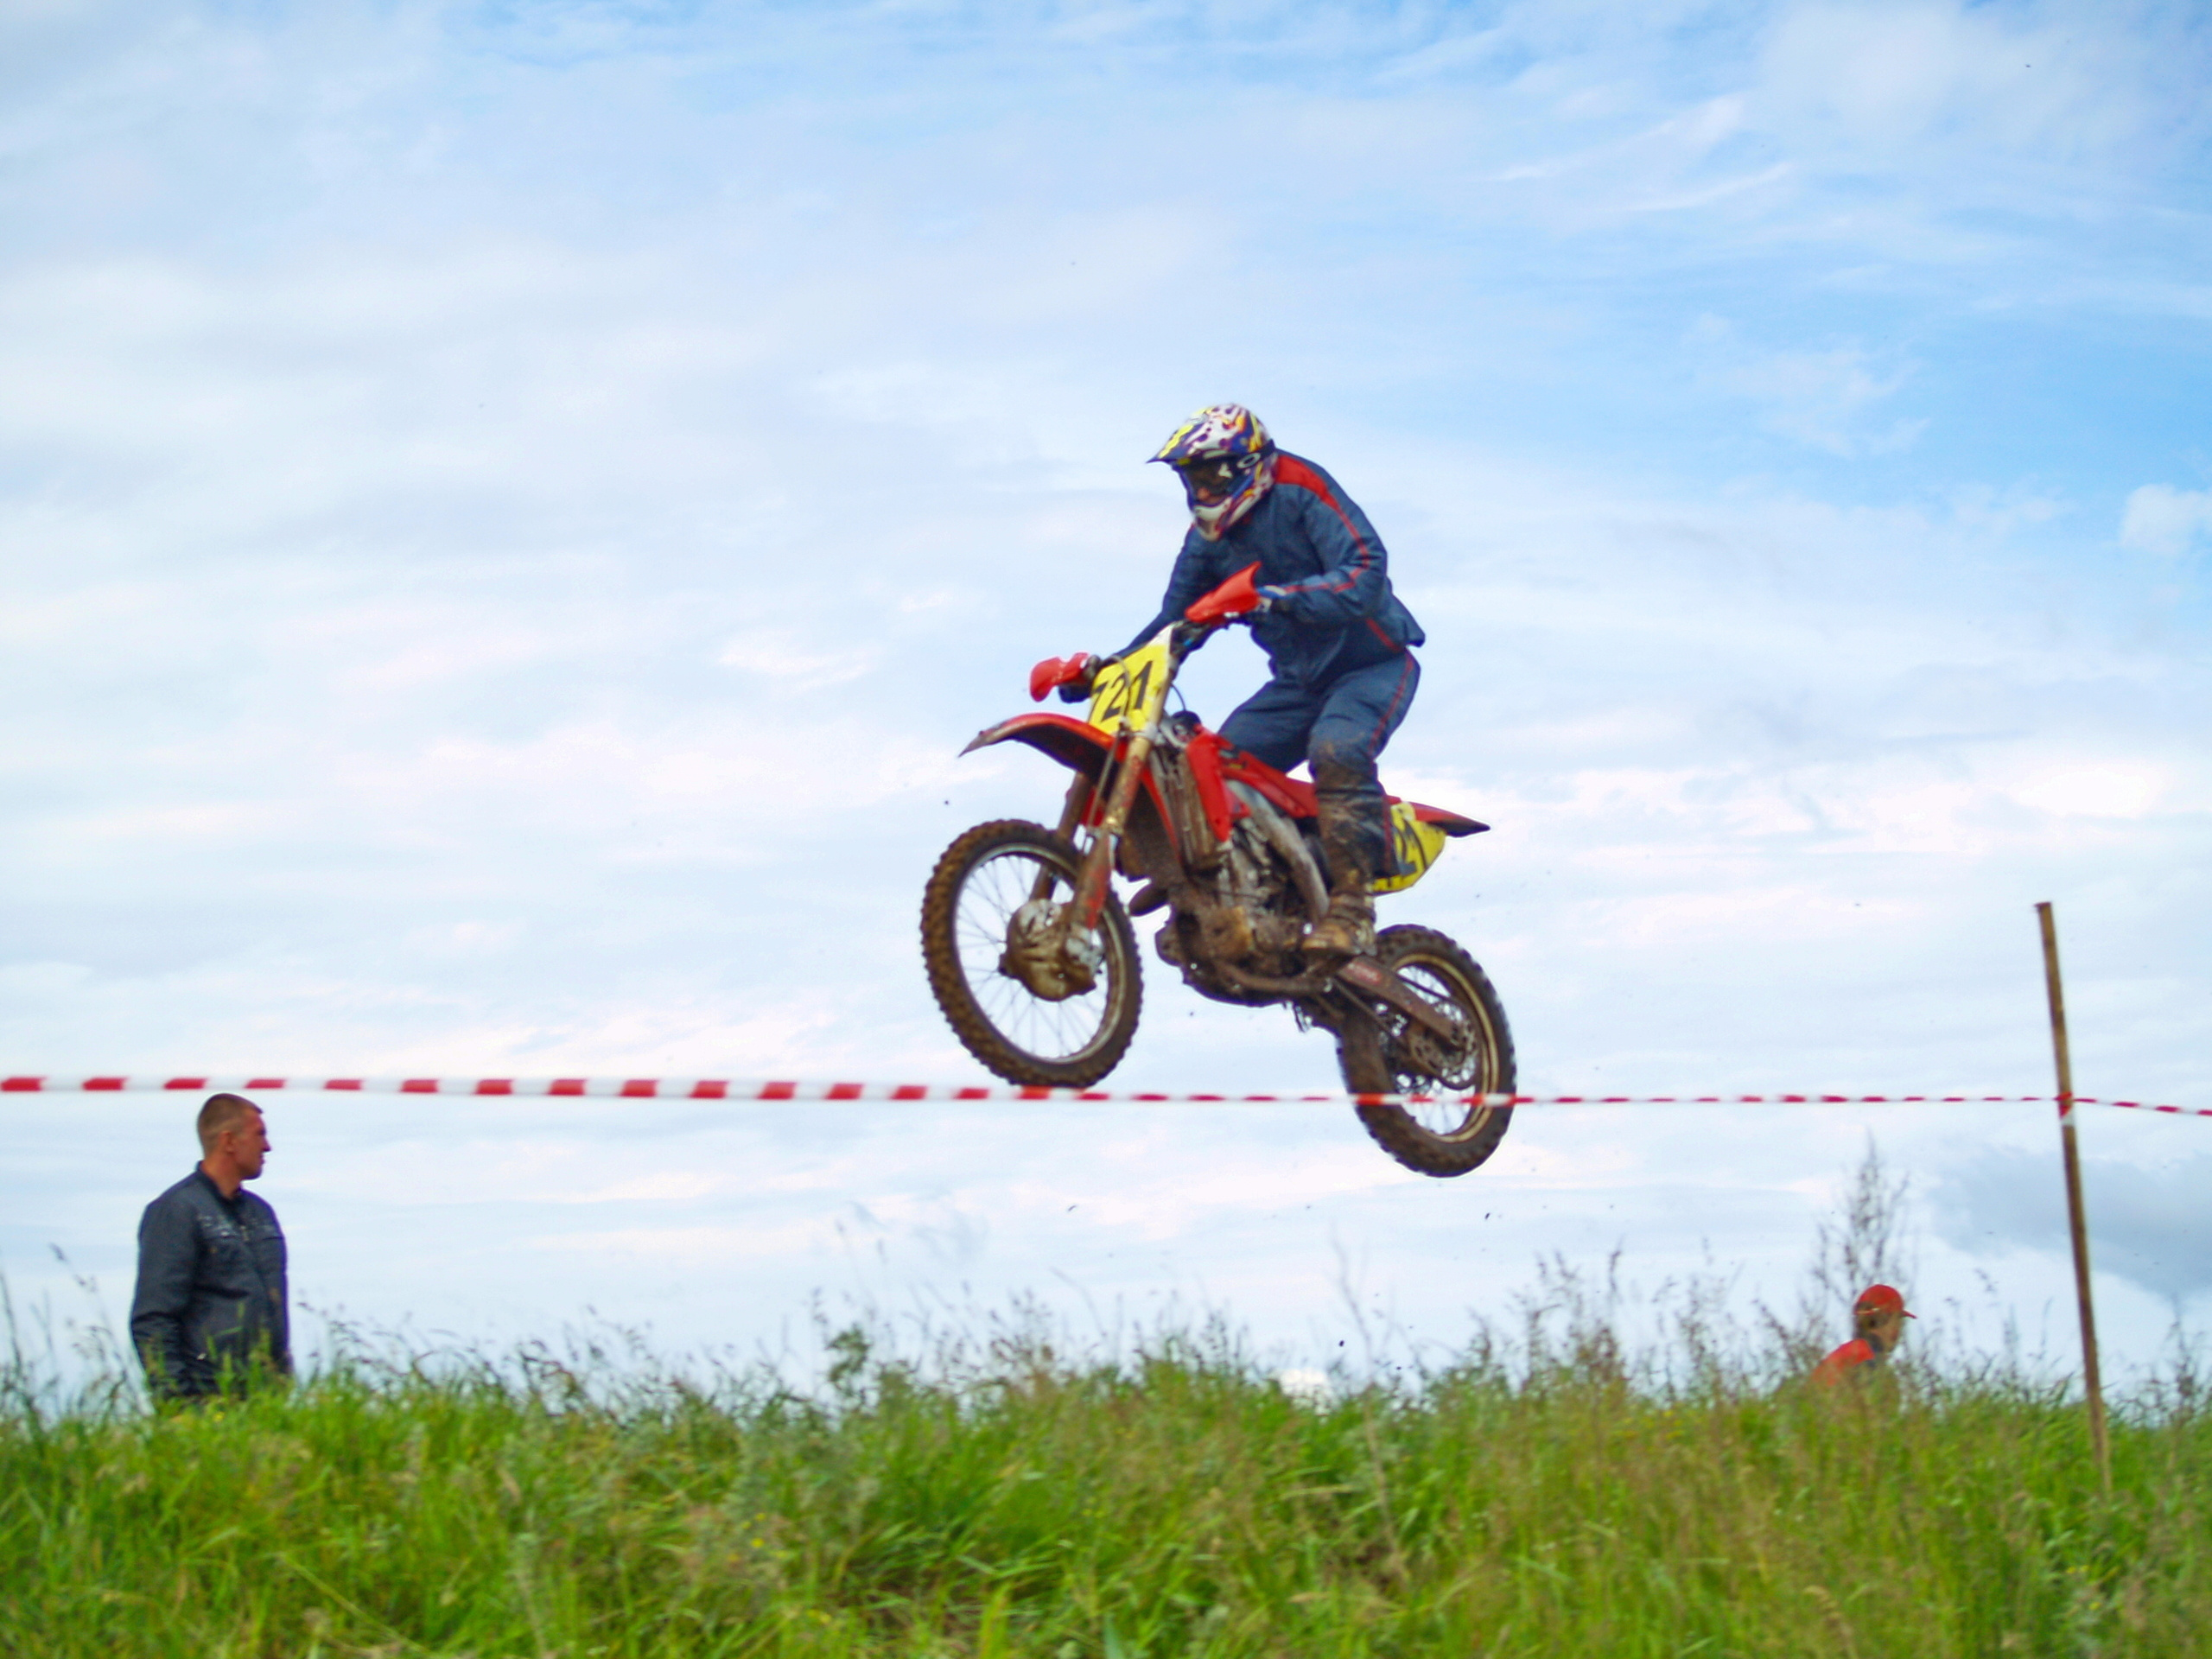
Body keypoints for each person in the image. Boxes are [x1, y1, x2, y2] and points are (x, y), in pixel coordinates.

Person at [1103, 404, 1425, 959]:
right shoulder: (1206, 541)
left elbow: (1366, 573)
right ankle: (1223, 893)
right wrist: (1111, 668)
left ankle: (1351, 909)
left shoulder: (1302, 488)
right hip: (1297, 684)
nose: (1203, 486)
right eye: (1192, 476)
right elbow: (1176, 623)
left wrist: (1277, 599)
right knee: (1209, 769)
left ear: (1250, 464)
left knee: (1336, 749)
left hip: (1371, 666)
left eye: (1213, 473)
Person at [129, 1092, 291, 1402]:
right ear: (229, 1141)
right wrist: (177, 1405)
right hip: (207, 1400)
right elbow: (153, 1318)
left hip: (267, 1400)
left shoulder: (262, 1215)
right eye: (260, 1135)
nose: (267, 1146)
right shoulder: (177, 1211)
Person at [1811, 1283, 1915, 1387]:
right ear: (1882, 1319)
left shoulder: (1845, 1353)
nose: (1899, 1329)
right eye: (1898, 1321)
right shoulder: (1868, 1359)